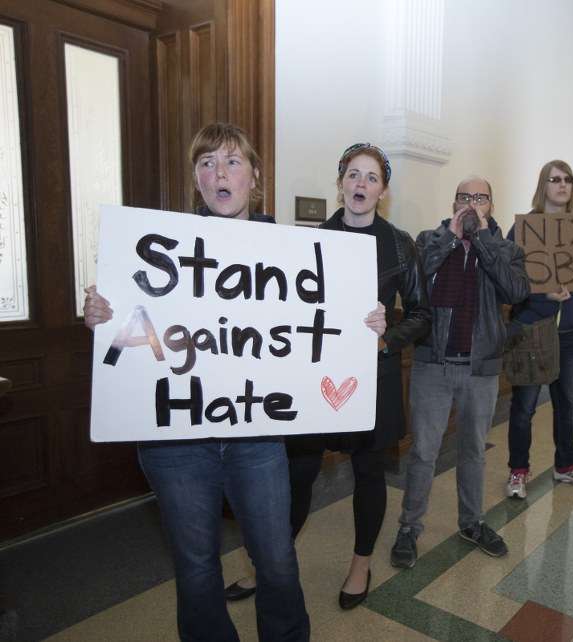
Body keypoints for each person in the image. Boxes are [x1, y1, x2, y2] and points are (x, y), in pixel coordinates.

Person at [83, 123, 386, 640]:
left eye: (231, 161)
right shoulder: (159, 249)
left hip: (257, 439)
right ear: (196, 180)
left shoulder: (290, 253)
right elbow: (136, 332)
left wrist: (367, 326)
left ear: (254, 177)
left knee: (276, 561)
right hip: (175, 441)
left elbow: (317, 332)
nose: (218, 172)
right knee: (197, 569)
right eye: (206, 162)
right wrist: (102, 317)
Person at [226, 143, 430, 610]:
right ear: (340, 183)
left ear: (383, 189)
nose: (361, 184)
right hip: (316, 376)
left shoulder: (400, 243)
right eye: (353, 175)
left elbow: (422, 314)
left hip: (372, 374)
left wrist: (388, 337)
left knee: (368, 471)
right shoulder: (311, 240)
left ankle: (360, 564)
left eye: (371, 177)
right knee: (298, 473)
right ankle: (268, 563)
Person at [389, 175, 530, 569]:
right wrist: (452, 238)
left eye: (480, 197)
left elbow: (516, 292)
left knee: (473, 451)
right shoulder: (428, 240)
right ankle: (408, 528)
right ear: (453, 203)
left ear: (491, 204)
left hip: (480, 368)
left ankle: (472, 522)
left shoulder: (506, 248)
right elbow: (411, 283)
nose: (471, 203)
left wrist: (483, 239)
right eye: (464, 197)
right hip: (432, 364)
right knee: (423, 453)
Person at [504, 160, 573, 499]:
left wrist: (571, 310)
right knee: (524, 407)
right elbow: (509, 280)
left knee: (567, 404)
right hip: (531, 328)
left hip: (568, 333)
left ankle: (566, 466)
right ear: (543, 185)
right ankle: (518, 470)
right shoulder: (523, 228)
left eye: (568, 180)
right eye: (554, 179)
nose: (562, 185)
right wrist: (541, 293)